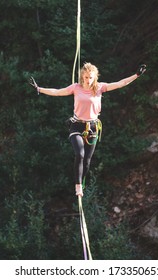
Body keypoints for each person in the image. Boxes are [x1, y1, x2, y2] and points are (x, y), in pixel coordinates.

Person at [29, 63, 146, 197]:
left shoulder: (100, 88)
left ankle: (82, 181)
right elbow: (57, 92)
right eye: (85, 77)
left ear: (95, 77)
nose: (88, 80)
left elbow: (120, 83)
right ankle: (78, 185)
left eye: (90, 77)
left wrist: (136, 75)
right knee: (80, 154)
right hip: (77, 125)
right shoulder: (76, 88)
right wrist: (40, 89)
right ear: (82, 77)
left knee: (88, 161)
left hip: (93, 127)